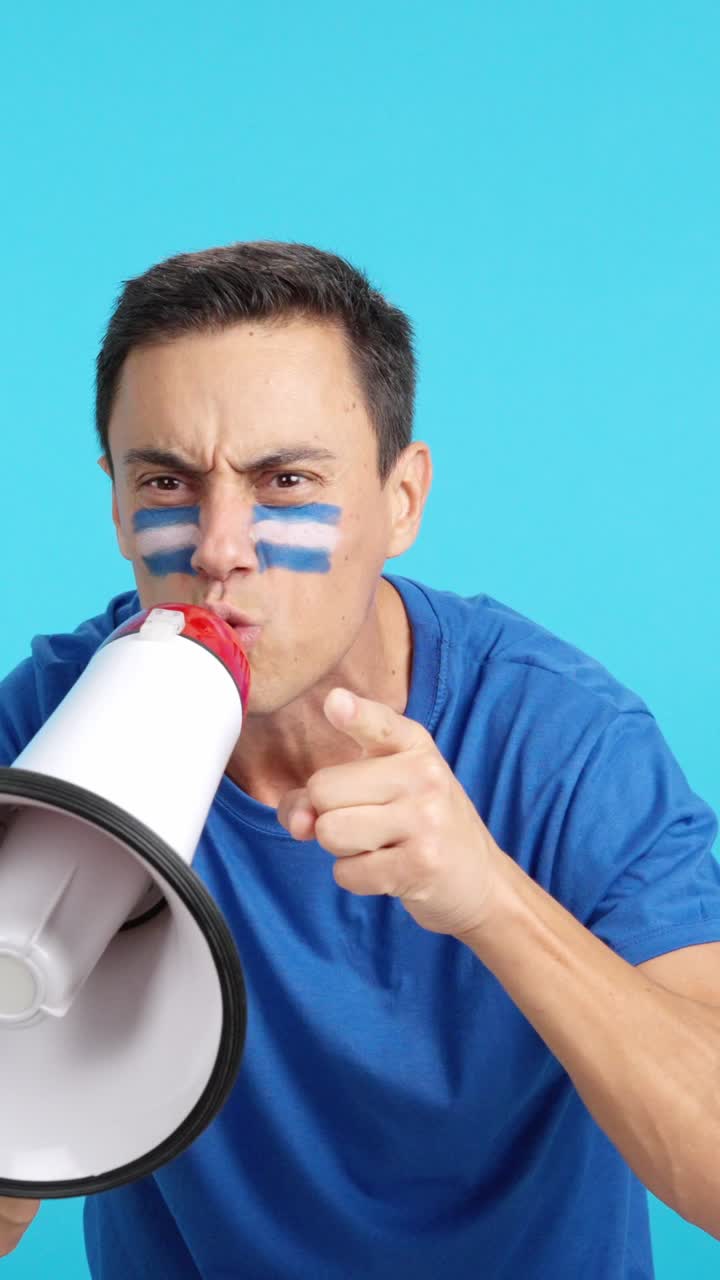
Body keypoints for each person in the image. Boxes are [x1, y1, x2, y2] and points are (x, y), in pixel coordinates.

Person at [1, 241, 719, 1279]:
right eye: (168, 480)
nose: (219, 547)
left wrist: (491, 899)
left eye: (285, 479)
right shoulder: (44, 734)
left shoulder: (562, 740)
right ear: (117, 501)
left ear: (402, 497)